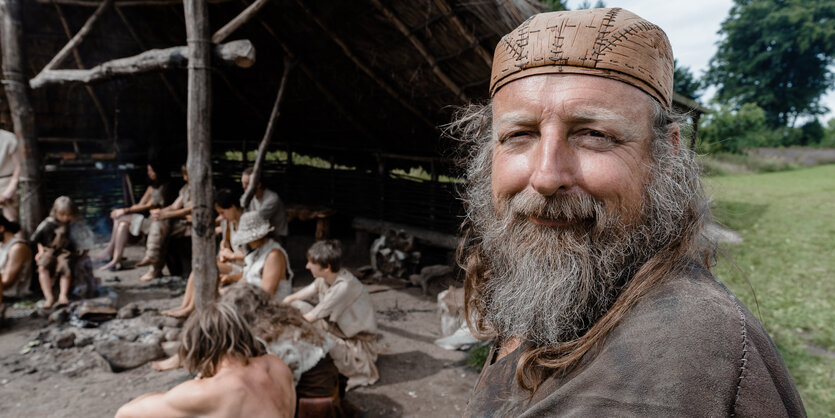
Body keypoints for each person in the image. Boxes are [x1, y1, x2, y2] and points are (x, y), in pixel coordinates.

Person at [449, 8, 805, 416]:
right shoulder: (564, 285)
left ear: (666, 153)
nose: (546, 176)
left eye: (594, 134)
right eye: (519, 135)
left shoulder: (682, 355)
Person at [115, 302, 296, 418]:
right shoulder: (276, 364)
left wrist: (199, 381)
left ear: (199, 346)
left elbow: (125, 413)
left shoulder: (209, 391)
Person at [283, 240, 378, 390]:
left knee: (304, 326)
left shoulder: (344, 286)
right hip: (337, 330)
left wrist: (277, 324)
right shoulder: (327, 277)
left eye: (310, 263)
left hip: (354, 345)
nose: (307, 266)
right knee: (295, 306)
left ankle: (354, 369)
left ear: (326, 267)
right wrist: (283, 304)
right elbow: (295, 297)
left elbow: (312, 317)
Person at [162, 210, 292, 319]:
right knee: (212, 295)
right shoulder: (256, 252)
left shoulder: (274, 254)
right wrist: (228, 290)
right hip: (251, 296)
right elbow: (245, 279)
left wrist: (235, 295)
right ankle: (189, 309)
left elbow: (267, 293)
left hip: (267, 304)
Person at [161, 188, 245, 318]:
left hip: (244, 266)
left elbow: (253, 256)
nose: (221, 217)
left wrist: (232, 255)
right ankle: (185, 305)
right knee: (198, 268)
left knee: (207, 268)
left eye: (223, 212)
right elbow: (226, 241)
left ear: (233, 207)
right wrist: (223, 249)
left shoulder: (246, 224)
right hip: (232, 262)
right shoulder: (228, 223)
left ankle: (191, 308)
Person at [99, 163, 171, 271]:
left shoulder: (164, 187)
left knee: (120, 218)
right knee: (122, 224)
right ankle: (116, 260)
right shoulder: (152, 187)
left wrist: (124, 211)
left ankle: (110, 251)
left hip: (156, 222)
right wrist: (126, 210)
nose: (149, 173)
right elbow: (140, 205)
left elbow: (150, 205)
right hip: (147, 221)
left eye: (151, 170)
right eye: (148, 170)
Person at [137, 164, 193, 281]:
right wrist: (160, 212)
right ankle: (153, 261)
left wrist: (166, 214)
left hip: (193, 224)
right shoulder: (186, 189)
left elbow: (191, 209)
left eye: (186, 175)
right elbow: (174, 206)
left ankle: (153, 264)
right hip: (183, 222)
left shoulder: (204, 190)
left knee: (161, 226)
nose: (184, 178)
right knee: (160, 224)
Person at [30, 196, 78, 308]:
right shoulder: (47, 223)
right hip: (48, 250)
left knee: (64, 267)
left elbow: (81, 240)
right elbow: (37, 239)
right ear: (55, 212)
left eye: (68, 215)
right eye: (62, 215)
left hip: (65, 251)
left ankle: (63, 295)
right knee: (42, 266)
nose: (65, 218)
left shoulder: (73, 225)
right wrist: (40, 251)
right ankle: (49, 297)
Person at [240, 167, 288, 245]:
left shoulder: (272, 199)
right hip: (260, 235)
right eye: (243, 183)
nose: (243, 187)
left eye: (247, 183)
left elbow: (256, 220)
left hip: (277, 237)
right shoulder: (247, 197)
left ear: (258, 184)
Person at [0, 214, 31, 324]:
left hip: (12, 292)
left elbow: (7, 281)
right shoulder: (2, 246)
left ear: (1, 228)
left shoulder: (17, 247)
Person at [0, 130, 21, 222]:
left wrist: (11, 188)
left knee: (11, 221)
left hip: (6, 184)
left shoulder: (9, 138)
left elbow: (19, 166)